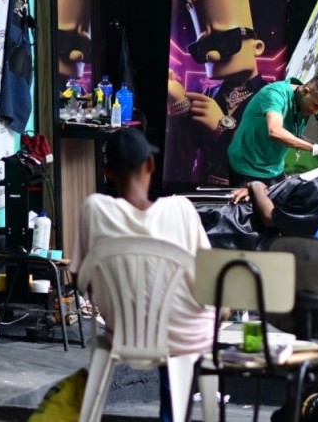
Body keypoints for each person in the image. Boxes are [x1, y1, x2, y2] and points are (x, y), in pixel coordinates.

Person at [70, 127, 217, 422]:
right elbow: (210, 278)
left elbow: (79, 280)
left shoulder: (94, 209)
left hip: (125, 330)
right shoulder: (182, 210)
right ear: (150, 164)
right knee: (179, 330)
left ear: (108, 171)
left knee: (161, 316)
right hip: (186, 336)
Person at [164, 0, 268, 188]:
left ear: (257, 47)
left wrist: (222, 127)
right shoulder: (210, 92)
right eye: (203, 48)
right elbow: (184, 152)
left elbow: (264, 155)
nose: (213, 55)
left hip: (244, 192)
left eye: (226, 42)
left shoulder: (269, 96)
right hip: (202, 189)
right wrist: (178, 105)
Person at [202, 142, 318, 250]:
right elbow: (287, 193)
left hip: (238, 227)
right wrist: (262, 191)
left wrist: (256, 185)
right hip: (235, 212)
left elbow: (270, 218)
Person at [226, 75, 318, 187]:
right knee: (251, 212)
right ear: (305, 91)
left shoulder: (317, 101)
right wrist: (315, 148)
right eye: (316, 106)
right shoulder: (275, 94)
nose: (316, 112)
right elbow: (274, 131)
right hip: (246, 167)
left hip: (274, 169)